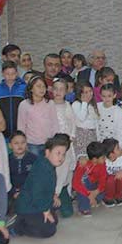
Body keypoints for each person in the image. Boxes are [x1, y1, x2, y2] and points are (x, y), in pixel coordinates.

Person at [14, 133, 70, 238]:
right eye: (58, 153)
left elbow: (47, 187)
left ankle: (35, 217)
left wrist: (53, 196)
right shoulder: (42, 168)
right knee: (49, 230)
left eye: (63, 154)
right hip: (29, 206)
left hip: (38, 203)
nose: (61, 157)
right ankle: (19, 226)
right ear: (47, 152)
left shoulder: (48, 164)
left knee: (54, 220)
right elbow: (37, 193)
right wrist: (45, 211)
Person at [51, 78, 76, 218]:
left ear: (66, 91)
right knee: (55, 171)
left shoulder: (68, 106)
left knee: (66, 171)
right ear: (51, 90)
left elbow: (72, 123)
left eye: (62, 89)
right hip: (53, 146)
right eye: (56, 89)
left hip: (66, 145)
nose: (58, 92)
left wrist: (70, 138)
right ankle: (53, 196)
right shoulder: (49, 105)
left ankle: (64, 193)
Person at [17, 75, 59, 157]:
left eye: (44, 86)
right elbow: (21, 126)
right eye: (38, 86)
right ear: (31, 89)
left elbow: (55, 124)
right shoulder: (24, 105)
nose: (42, 89)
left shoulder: (50, 103)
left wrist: (55, 141)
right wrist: (22, 143)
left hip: (48, 143)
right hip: (31, 144)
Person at [0, 61, 26, 139]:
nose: (10, 76)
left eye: (13, 73)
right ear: (2, 74)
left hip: (21, 130)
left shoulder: (24, 88)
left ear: (17, 73)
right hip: (2, 131)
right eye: (7, 74)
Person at [72, 141, 107, 217]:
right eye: (103, 157)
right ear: (94, 159)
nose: (105, 159)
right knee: (83, 186)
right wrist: (89, 195)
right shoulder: (82, 164)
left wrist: (96, 192)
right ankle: (84, 207)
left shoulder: (102, 164)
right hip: (84, 187)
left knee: (105, 188)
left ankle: (93, 200)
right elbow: (76, 183)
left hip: (94, 187)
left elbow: (103, 180)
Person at [8, 131, 37, 215]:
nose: (20, 145)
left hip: (28, 191)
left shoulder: (33, 159)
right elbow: (6, 179)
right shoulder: (7, 160)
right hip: (12, 191)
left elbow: (35, 179)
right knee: (7, 206)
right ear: (10, 145)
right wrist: (14, 191)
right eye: (16, 143)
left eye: (23, 142)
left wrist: (24, 191)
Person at [72, 80, 99, 158]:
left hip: (92, 135)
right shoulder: (76, 104)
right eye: (85, 92)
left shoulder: (92, 105)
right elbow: (82, 118)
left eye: (90, 91)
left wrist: (98, 137)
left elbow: (96, 122)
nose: (89, 94)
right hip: (81, 135)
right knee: (82, 159)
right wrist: (84, 103)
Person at [102, 138, 122, 207]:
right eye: (118, 148)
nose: (121, 149)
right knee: (110, 179)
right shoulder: (104, 161)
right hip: (107, 184)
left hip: (118, 182)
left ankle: (119, 196)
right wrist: (112, 176)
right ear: (111, 154)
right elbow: (101, 177)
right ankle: (108, 197)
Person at [96, 84, 122, 148]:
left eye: (109, 96)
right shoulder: (97, 107)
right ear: (100, 96)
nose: (106, 99)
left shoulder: (118, 111)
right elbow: (95, 126)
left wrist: (120, 146)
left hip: (113, 144)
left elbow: (120, 130)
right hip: (99, 143)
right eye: (104, 96)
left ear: (114, 95)